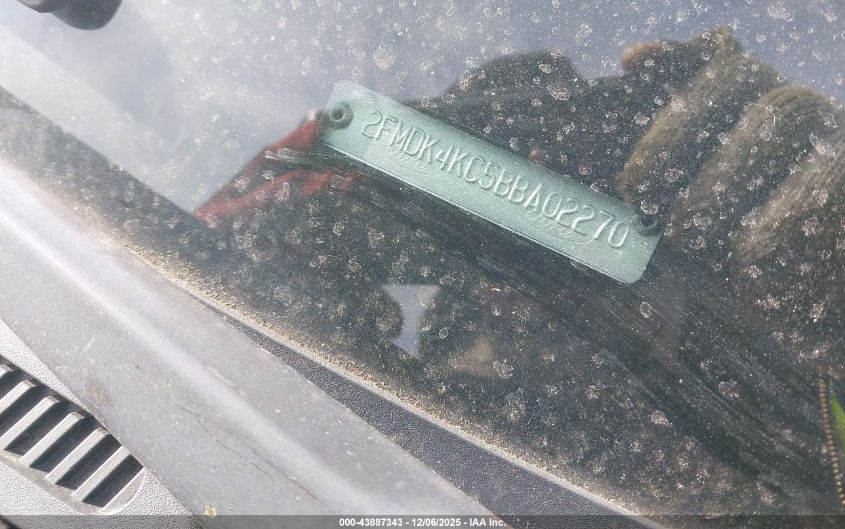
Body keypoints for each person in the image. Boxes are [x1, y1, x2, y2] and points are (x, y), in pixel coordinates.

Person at [195, 27, 844, 515]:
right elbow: (200, 255)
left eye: (573, 147)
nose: (545, 150)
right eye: (507, 129)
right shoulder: (382, 358)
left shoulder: (760, 389)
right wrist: (343, 172)